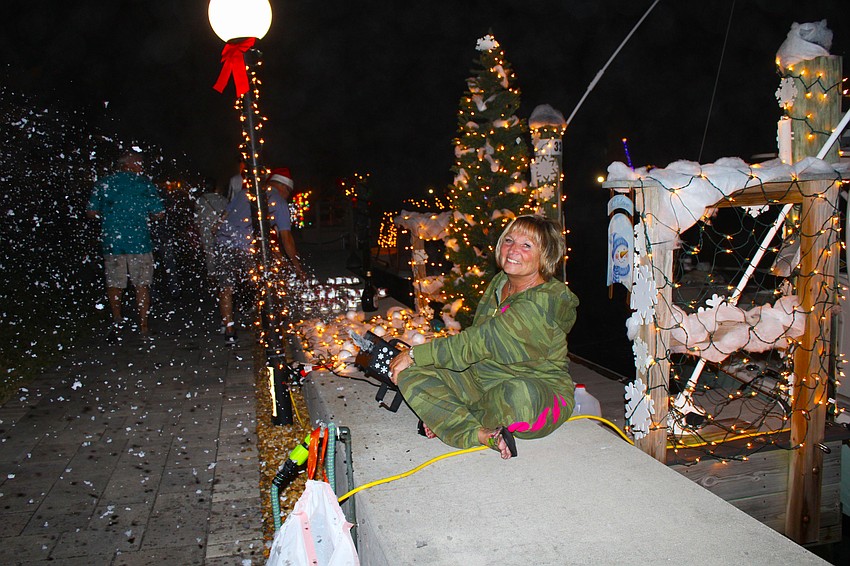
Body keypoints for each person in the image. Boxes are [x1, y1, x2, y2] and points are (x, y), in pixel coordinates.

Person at [389, 215, 578, 459]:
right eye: (509, 240)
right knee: (410, 374)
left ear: (546, 256)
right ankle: (476, 431)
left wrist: (415, 354)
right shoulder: (502, 281)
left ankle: (454, 419)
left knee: (520, 399)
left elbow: (480, 341)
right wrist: (421, 364)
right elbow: (476, 342)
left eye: (526, 245)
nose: (513, 250)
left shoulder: (541, 304)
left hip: (536, 387)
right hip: (484, 378)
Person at [213, 167, 303, 344]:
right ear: (284, 188)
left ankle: (229, 330)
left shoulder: (246, 192)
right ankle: (269, 323)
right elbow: (286, 237)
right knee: (265, 281)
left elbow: (224, 216)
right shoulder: (279, 201)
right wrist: (296, 264)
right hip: (247, 247)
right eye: (289, 193)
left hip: (224, 242)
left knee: (226, 287)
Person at [86, 150, 165, 343]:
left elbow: (91, 212)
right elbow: (159, 213)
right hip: (139, 242)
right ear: (130, 165)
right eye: (139, 163)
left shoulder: (104, 183)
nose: (141, 167)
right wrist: (145, 216)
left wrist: (110, 218)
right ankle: (143, 326)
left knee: (115, 284)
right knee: (142, 284)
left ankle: (117, 321)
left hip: (113, 243)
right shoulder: (143, 184)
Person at [194, 179, 229, 284]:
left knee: (210, 252)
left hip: (206, 228)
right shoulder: (223, 199)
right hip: (220, 228)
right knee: (222, 251)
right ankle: (223, 273)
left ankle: (212, 275)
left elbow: (197, 218)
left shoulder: (200, 200)